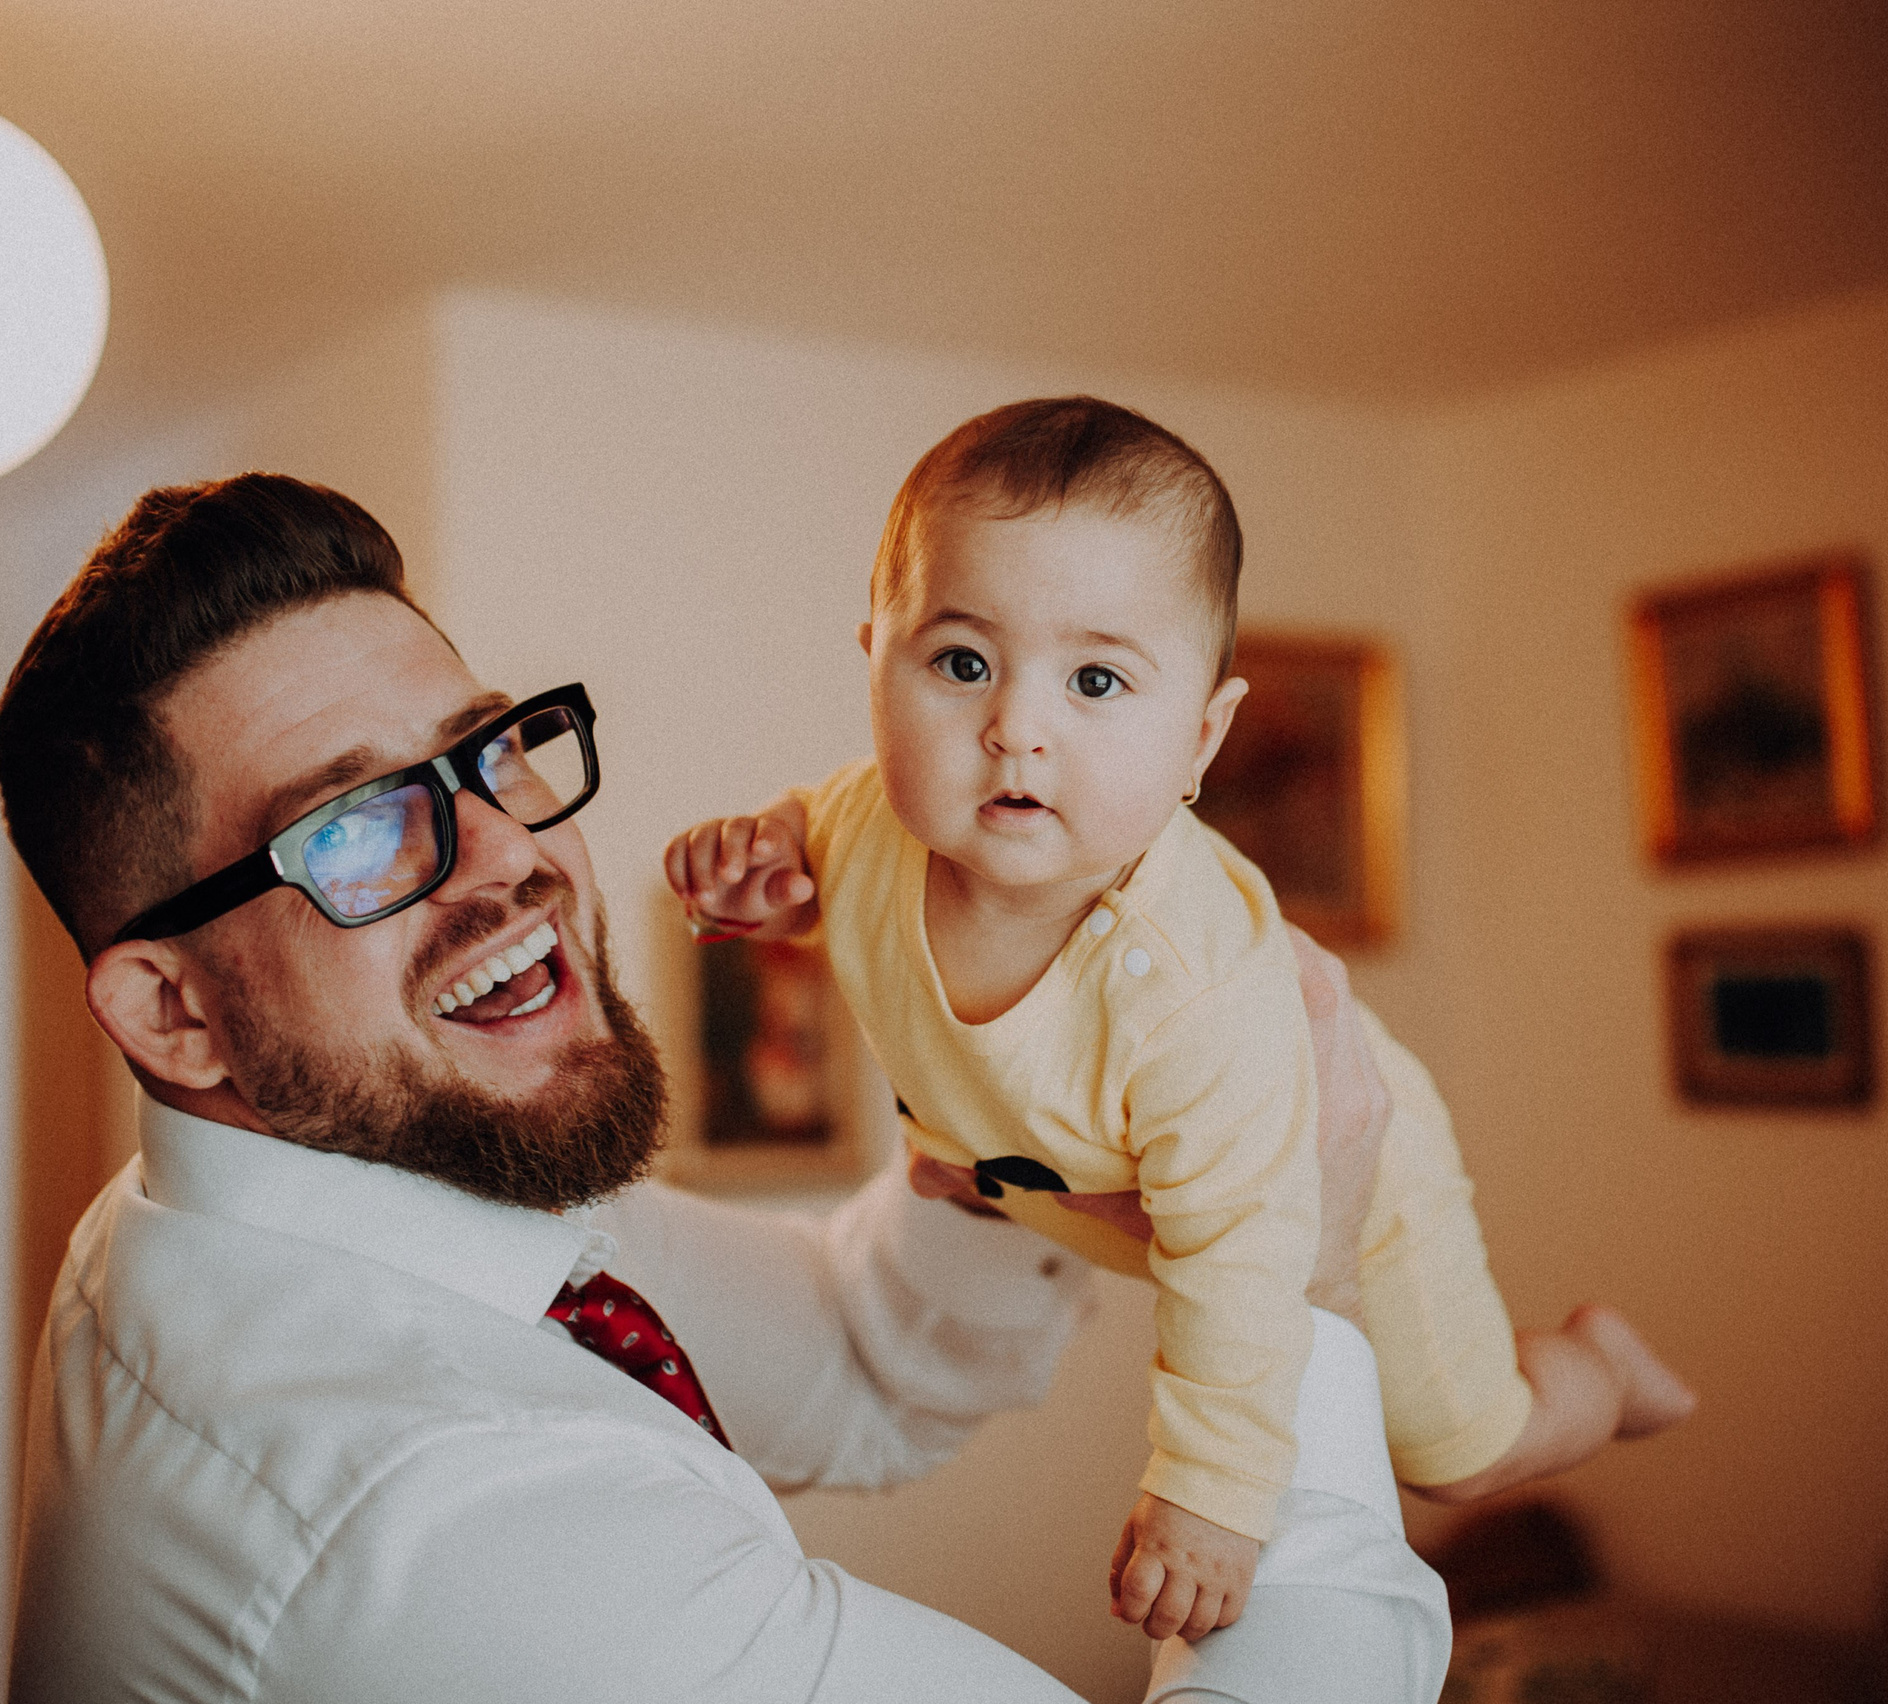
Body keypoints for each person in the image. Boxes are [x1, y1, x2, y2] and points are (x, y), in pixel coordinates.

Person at [0, 471, 1416, 1702]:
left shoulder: (301, 1203)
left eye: (488, 753)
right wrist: (1313, 1292)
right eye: (359, 828)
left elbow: (862, 1363)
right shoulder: (446, 1523)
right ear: (175, 1013)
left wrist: (999, 1134)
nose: (509, 856)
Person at [665, 397, 1696, 1668]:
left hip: (1325, 1200)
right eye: (960, 662)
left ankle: (1597, 1372)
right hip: (1074, 1195)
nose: (1014, 727)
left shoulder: (1189, 993)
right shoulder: (870, 824)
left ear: (1201, 735)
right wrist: (760, 863)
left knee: (1454, 1450)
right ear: (873, 655)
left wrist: (1209, 1496)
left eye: (1095, 679)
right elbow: (813, 844)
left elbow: (1242, 1263)